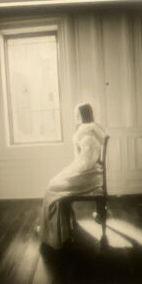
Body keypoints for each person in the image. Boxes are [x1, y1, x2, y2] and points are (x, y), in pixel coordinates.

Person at [39, 103, 107, 250]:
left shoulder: (87, 131)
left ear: (83, 115)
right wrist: (71, 169)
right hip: (91, 171)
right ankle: (60, 228)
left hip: (88, 175)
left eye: (78, 114)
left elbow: (87, 161)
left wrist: (72, 170)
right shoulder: (93, 128)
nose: (76, 117)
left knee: (52, 188)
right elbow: (84, 159)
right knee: (54, 184)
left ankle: (56, 232)